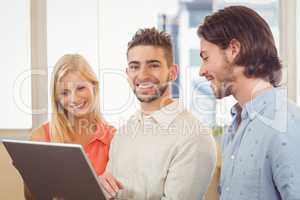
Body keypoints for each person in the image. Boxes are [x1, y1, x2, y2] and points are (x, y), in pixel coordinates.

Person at [99, 28, 217, 200]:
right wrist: (102, 188)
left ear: (173, 72)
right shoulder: (123, 133)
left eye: (153, 65)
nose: (142, 75)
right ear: (127, 73)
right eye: (134, 66)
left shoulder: (194, 137)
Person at [197, 5, 300, 200]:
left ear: (234, 50)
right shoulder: (234, 129)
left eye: (206, 57)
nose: (201, 71)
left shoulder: (287, 124)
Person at [24, 54, 115, 200]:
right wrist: (28, 173)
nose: (74, 99)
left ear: (94, 87)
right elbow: (31, 198)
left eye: (80, 88)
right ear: (56, 98)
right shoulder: (40, 137)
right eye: (65, 93)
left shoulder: (113, 138)